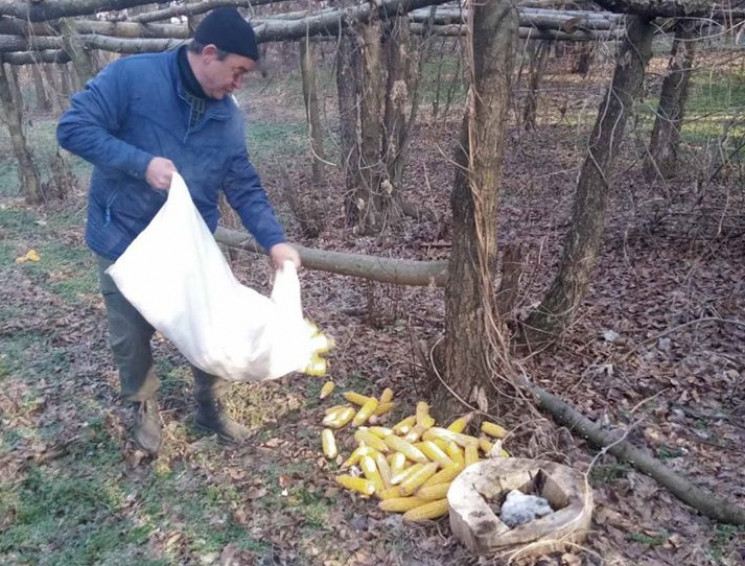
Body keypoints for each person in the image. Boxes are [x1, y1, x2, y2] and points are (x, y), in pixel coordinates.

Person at [56, 7, 300, 456]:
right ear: (209, 54)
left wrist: (275, 240)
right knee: (130, 332)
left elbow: (242, 181)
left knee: (212, 321)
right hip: (123, 235)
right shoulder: (131, 79)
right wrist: (140, 163)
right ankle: (142, 405)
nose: (239, 83)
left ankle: (209, 405)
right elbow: (72, 129)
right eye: (238, 71)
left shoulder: (228, 118)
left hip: (190, 243)